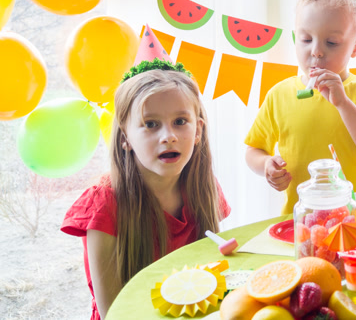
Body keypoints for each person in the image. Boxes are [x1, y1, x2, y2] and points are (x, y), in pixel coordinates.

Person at [62, 63, 230, 320]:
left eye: (180, 121)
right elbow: (114, 312)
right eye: (151, 124)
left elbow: (210, 283)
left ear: (198, 130)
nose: (169, 136)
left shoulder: (204, 188)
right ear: (125, 138)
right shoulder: (103, 204)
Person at [244, 0, 356, 215]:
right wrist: (266, 166)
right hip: (302, 222)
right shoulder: (279, 94)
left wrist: (343, 103)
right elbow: (254, 149)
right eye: (305, 39)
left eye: (332, 42)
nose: (316, 51)